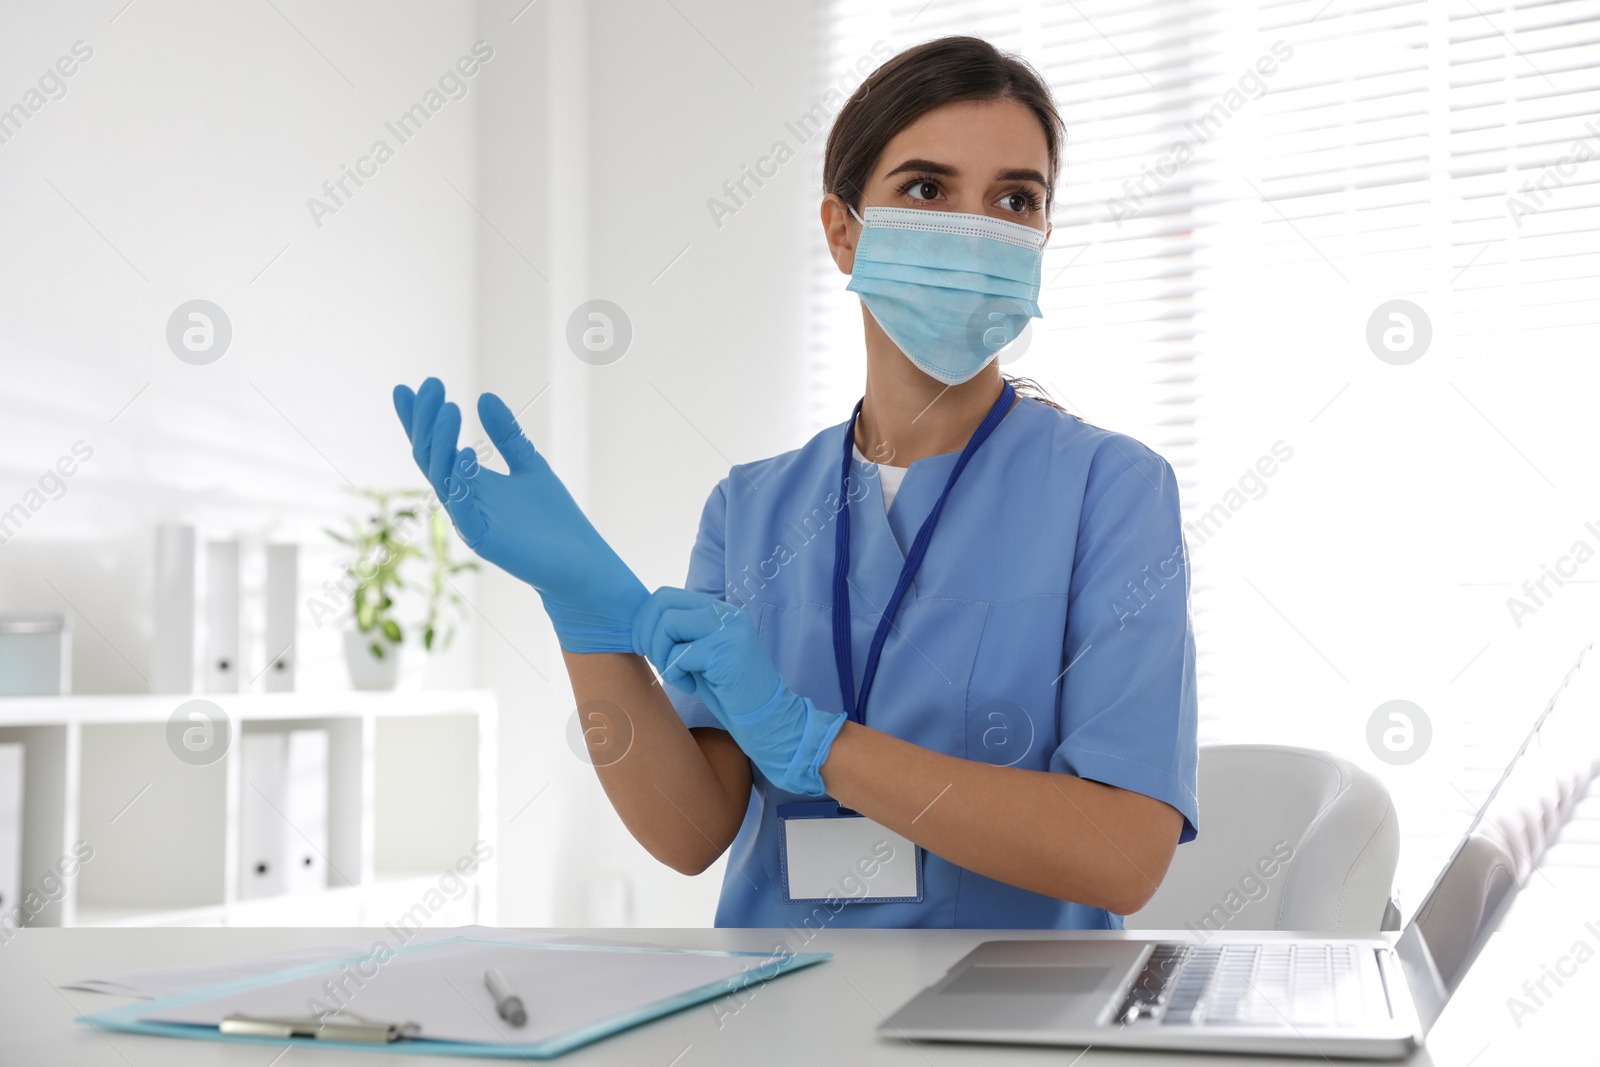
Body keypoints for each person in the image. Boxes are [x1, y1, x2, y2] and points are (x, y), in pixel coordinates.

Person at [394, 35, 1197, 930]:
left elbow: (1123, 856)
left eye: (1015, 199)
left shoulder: (1112, 492)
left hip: (1011, 1019)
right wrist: (585, 613)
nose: (976, 232)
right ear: (843, 229)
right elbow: (692, 831)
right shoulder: (752, 507)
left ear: (1043, 237)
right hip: (774, 1004)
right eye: (927, 189)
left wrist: (818, 745)